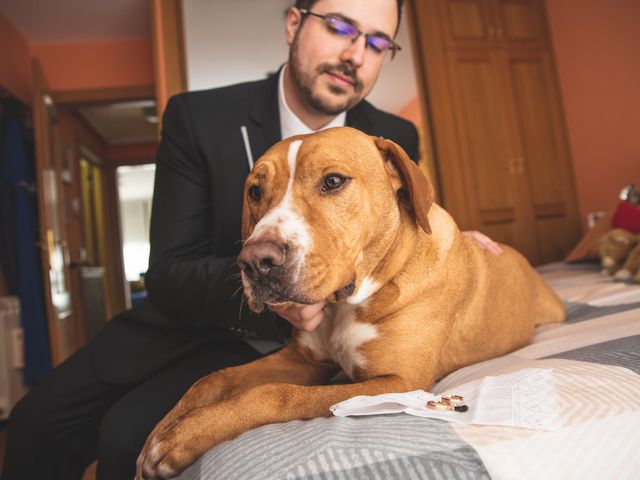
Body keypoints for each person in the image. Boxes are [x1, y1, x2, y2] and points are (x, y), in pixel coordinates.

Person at [1, 1, 500, 478]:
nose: (354, 54)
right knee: (34, 424)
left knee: (125, 436)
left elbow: (408, 224)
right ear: (293, 24)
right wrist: (274, 285)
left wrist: (449, 235)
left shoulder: (394, 135)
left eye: (376, 42)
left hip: (285, 347)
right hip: (188, 321)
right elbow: (170, 270)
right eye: (340, 27)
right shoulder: (199, 117)